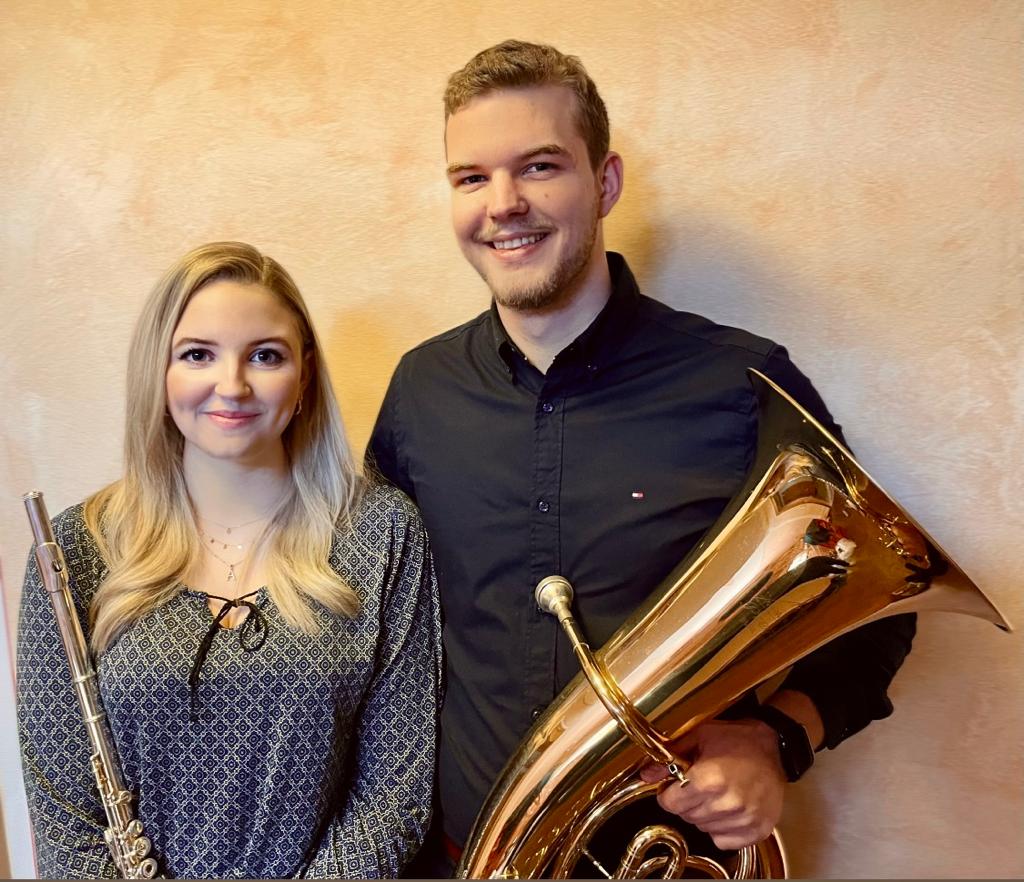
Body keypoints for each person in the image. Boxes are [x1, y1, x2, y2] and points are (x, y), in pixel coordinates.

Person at [367, 40, 916, 876]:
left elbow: (878, 600)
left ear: (605, 182)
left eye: (540, 166)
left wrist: (777, 739)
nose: (503, 204)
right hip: (459, 858)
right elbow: (381, 625)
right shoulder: (420, 390)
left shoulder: (743, 384)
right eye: (471, 177)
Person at [18, 242, 441, 879]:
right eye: (197, 354)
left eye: (265, 355)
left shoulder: (382, 532)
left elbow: (395, 793)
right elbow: (63, 813)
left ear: (304, 373)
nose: (232, 385)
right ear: (158, 372)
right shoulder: (77, 546)